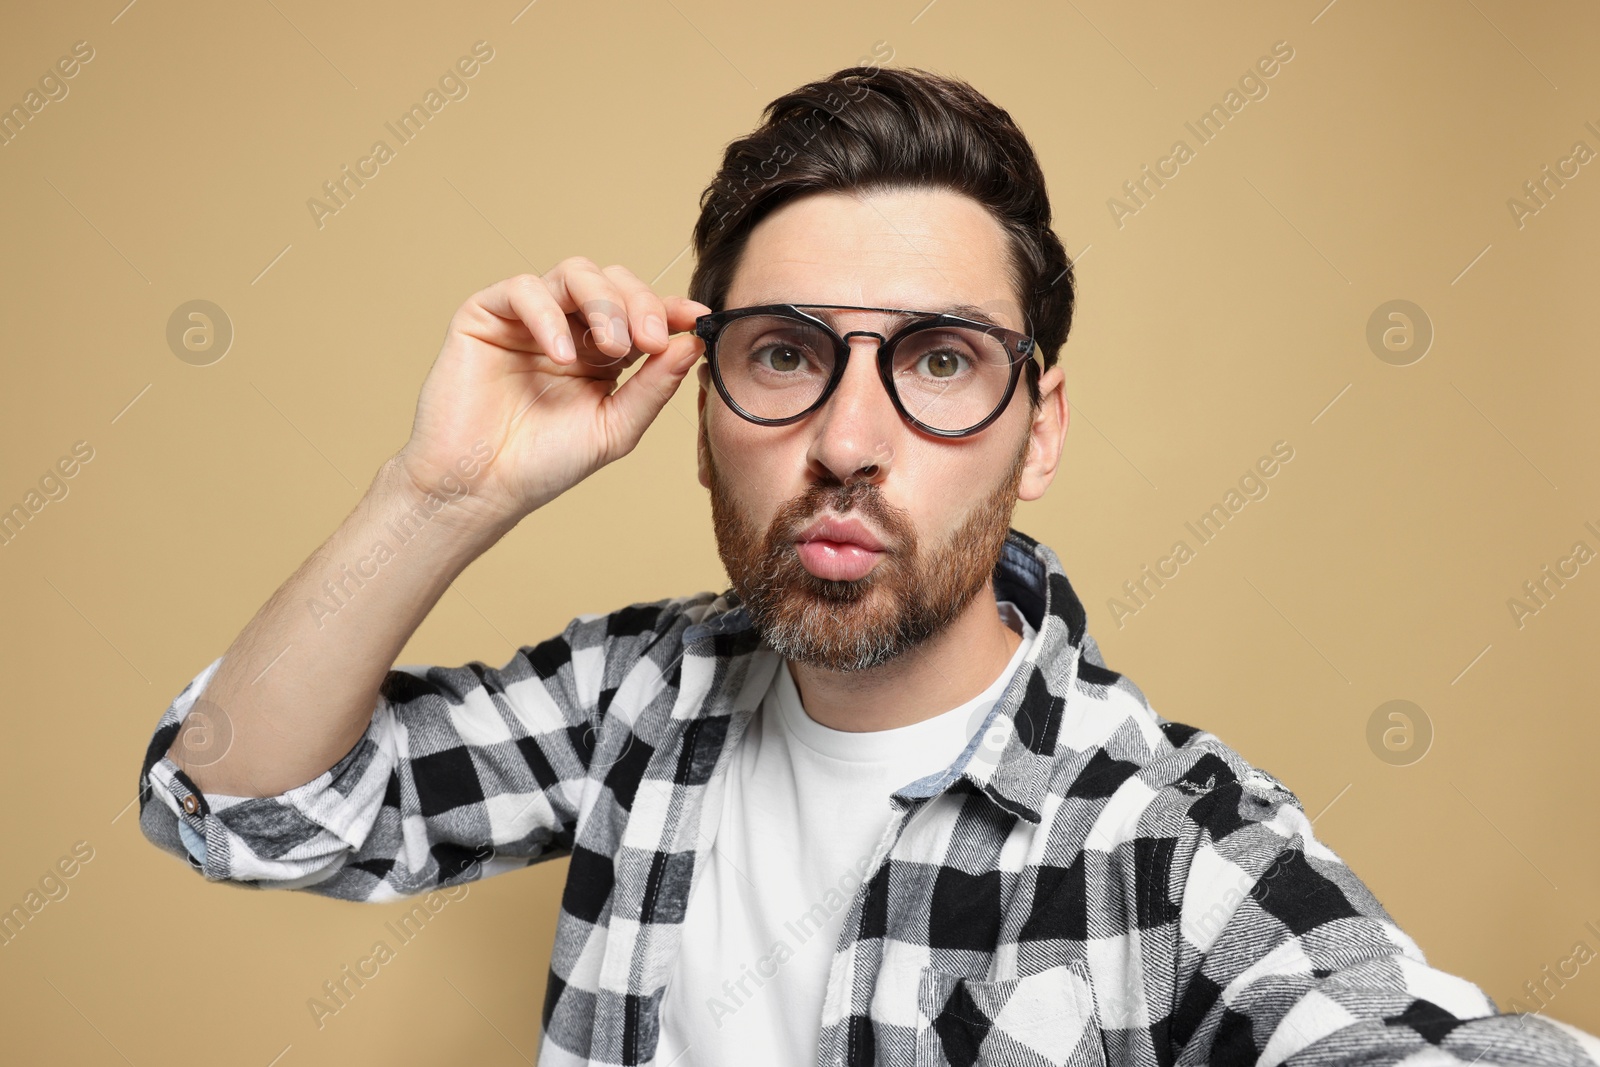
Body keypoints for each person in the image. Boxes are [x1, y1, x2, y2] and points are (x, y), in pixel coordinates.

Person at [137, 65, 1600, 1067]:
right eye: (785, 354)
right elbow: (236, 801)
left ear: (1039, 429)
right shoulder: (638, 702)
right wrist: (438, 495)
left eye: (940, 361)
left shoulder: (1160, 841)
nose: (847, 438)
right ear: (699, 408)